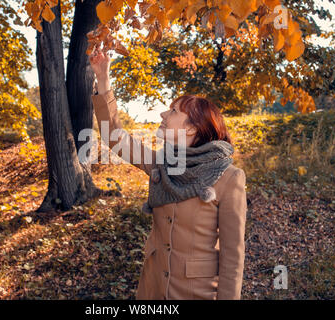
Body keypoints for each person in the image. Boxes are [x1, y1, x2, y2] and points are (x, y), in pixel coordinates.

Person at [89, 47, 247, 300]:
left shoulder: (229, 178)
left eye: (173, 111)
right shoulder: (161, 164)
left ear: (193, 128)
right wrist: (103, 77)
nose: (163, 114)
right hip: (152, 290)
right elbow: (114, 137)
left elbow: (232, 256)